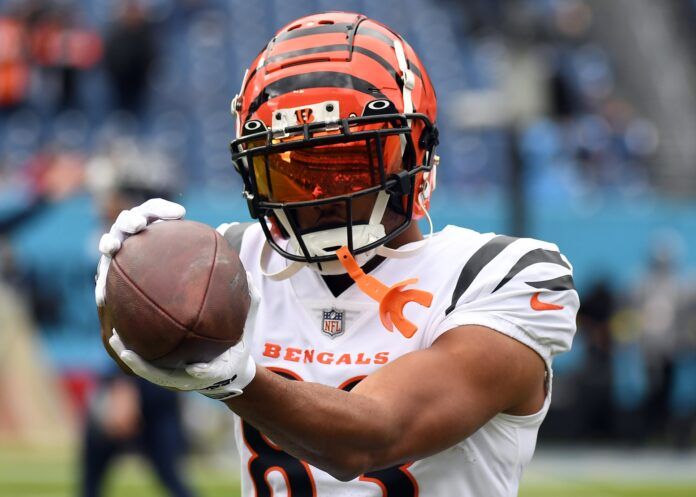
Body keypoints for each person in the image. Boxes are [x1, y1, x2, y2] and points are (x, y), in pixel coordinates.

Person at [95, 13, 579, 497]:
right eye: (290, 170)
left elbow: (372, 438)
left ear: (412, 153)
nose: (320, 196)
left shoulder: (500, 276)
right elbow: (140, 345)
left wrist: (239, 382)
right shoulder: (234, 261)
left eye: (347, 164)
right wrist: (122, 288)